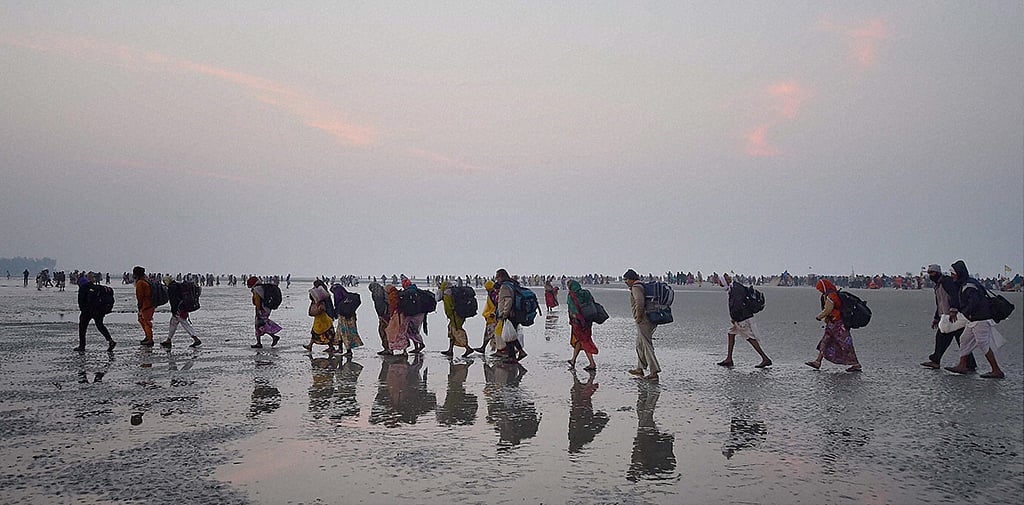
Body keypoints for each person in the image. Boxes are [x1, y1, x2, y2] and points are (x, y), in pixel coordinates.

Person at [944, 260, 1005, 378]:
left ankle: (996, 370)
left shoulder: (969, 285)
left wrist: (966, 312)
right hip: (974, 319)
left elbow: (975, 301)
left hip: (980, 318)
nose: (952, 276)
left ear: (959, 273)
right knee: (964, 339)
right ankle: (962, 365)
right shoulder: (966, 283)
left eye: (953, 274)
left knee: (983, 343)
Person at [921, 264, 975, 370]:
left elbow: (954, 294)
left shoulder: (946, 282)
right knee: (956, 340)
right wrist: (936, 317)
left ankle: (937, 361)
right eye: (929, 273)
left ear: (938, 272)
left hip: (953, 316)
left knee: (949, 338)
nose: (930, 275)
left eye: (932, 272)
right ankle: (969, 364)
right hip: (945, 316)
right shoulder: (937, 285)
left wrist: (954, 309)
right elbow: (939, 303)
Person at [716, 273, 772, 368]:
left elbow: (737, 305)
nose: (719, 284)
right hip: (741, 317)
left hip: (742, 318)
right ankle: (729, 358)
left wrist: (734, 318)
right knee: (731, 333)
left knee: (750, 338)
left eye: (720, 282)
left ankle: (765, 358)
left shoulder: (735, 289)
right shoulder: (734, 287)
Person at [805, 279, 862, 372]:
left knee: (845, 343)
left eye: (820, 289)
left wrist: (819, 317)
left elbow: (828, 309)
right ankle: (818, 361)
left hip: (838, 323)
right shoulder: (831, 294)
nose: (820, 291)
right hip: (832, 323)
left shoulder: (831, 296)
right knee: (825, 341)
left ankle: (856, 364)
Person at [624, 269, 660, 380]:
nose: (625, 282)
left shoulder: (636, 287)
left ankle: (654, 371)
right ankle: (640, 368)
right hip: (648, 317)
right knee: (639, 344)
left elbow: (639, 302)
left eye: (626, 279)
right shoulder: (641, 286)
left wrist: (638, 317)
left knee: (646, 344)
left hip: (643, 319)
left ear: (631, 279)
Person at [75, 274, 116, 352]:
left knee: (82, 328)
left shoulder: (83, 289)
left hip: (88, 311)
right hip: (99, 310)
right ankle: (110, 341)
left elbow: (81, 302)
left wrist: (84, 311)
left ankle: (82, 346)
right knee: (100, 326)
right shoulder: (95, 287)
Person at [161, 275, 201, 348]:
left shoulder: (171, 288)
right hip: (182, 308)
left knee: (184, 324)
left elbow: (174, 301)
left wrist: (174, 310)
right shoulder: (176, 285)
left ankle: (196, 339)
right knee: (173, 323)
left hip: (179, 310)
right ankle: (168, 340)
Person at [495, 269, 526, 363]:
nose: (497, 279)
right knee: (511, 334)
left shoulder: (505, 286)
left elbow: (508, 300)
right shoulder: (512, 283)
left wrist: (505, 313)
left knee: (508, 335)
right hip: (515, 313)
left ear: (502, 276)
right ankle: (520, 351)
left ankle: (512, 357)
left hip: (509, 314)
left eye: (497, 277)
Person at [566, 280, 598, 370]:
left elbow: (572, 310)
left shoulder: (571, 295)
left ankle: (592, 363)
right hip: (588, 320)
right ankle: (573, 360)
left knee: (584, 341)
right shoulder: (586, 293)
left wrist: (572, 320)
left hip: (578, 322)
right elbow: (593, 303)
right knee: (580, 341)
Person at [439, 280, 473, 358]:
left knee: (457, 331)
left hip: (455, 316)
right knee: (451, 331)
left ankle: (468, 348)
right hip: (460, 314)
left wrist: (450, 315)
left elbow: (449, 308)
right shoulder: (454, 292)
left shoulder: (447, 295)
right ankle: (450, 350)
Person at [248, 276, 281, 349]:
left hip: (262, 309)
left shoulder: (256, 290)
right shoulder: (262, 287)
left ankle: (262, 341)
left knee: (260, 325)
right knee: (262, 324)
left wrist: (257, 312)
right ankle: (264, 340)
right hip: (267, 308)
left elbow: (257, 302)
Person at [304, 280, 337, 353]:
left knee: (324, 332)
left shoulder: (321, 293)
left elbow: (315, 299)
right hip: (322, 315)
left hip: (324, 315)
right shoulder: (324, 292)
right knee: (320, 331)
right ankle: (310, 345)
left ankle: (330, 347)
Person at [474, 280, 504, 356]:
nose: (486, 290)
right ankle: (484, 348)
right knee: (489, 334)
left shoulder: (493, 294)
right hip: (492, 317)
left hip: (493, 317)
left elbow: (497, 305)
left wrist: (491, 314)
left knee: (493, 334)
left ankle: (498, 350)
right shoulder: (492, 294)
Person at [400, 277, 427, 354]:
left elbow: (405, 304)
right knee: (413, 331)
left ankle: (421, 344)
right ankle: (417, 347)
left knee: (411, 331)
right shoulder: (416, 290)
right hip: (420, 314)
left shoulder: (408, 292)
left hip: (413, 315)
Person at [383, 284, 409, 354]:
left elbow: (393, 306)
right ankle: (404, 350)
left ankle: (391, 349)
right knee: (402, 332)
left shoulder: (392, 295)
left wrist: (391, 316)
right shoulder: (398, 293)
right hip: (402, 315)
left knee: (391, 331)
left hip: (396, 315)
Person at [133, 266, 155, 346]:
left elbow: (140, 296)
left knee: (146, 321)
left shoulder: (140, 283)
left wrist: (139, 305)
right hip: (150, 303)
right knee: (141, 319)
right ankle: (147, 336)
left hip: (146, 304)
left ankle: (149, 338)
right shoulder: (146, 280)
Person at [369, 282, 391, 355]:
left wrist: (381, 315)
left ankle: (387, 348)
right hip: (390, 314)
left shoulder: (377, 294)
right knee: (388, 331)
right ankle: (390, 348)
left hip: (384, 315)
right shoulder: (383, 291)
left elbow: (379, 305)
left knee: (382, 331)